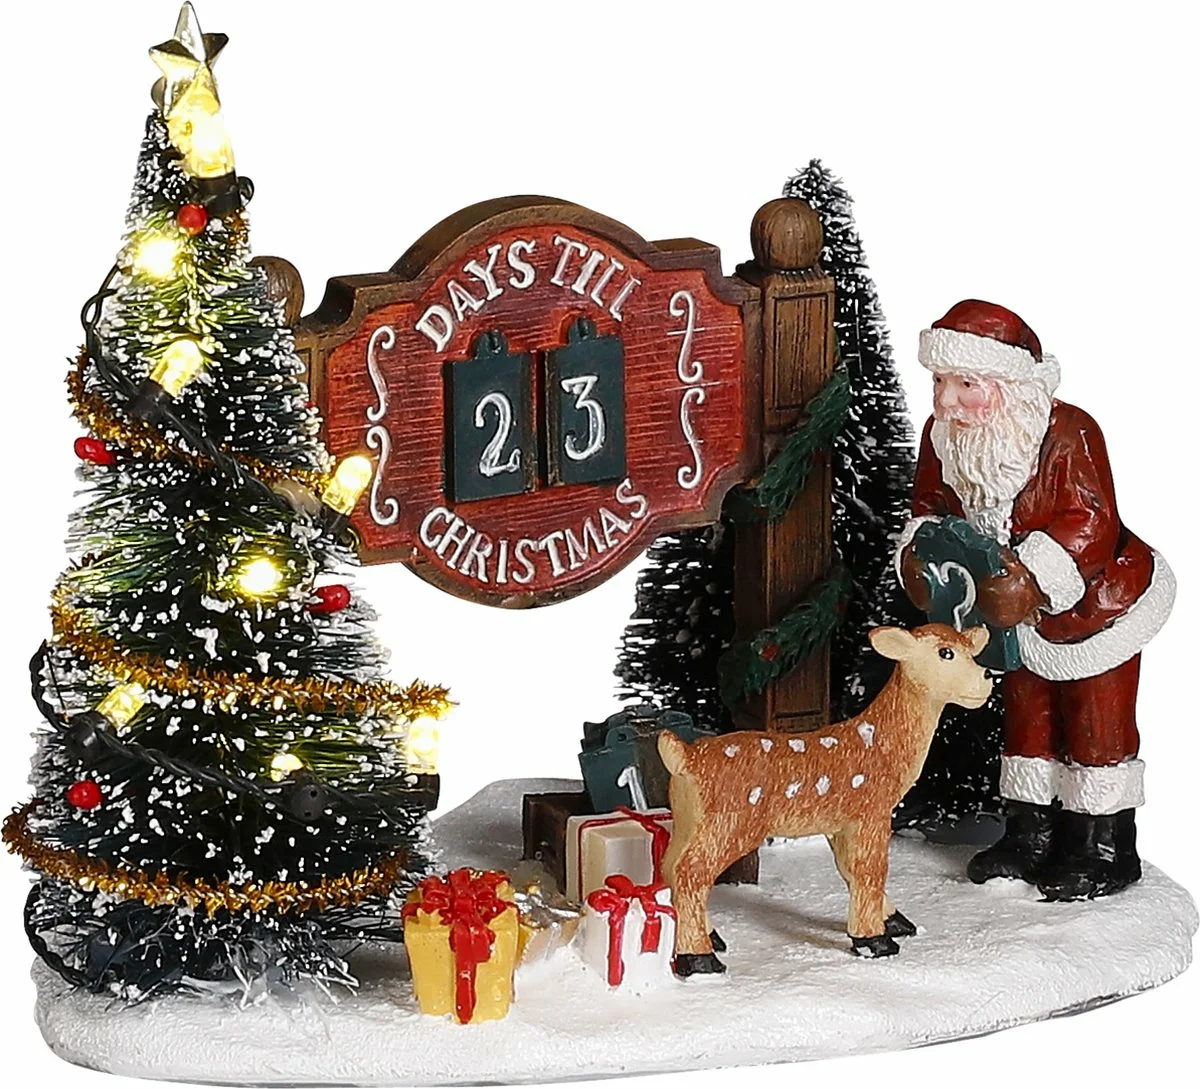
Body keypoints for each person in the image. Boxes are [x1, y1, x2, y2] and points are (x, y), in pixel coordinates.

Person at [896, 299, 1174, 900]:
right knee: (1027, 719)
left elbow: (1091, 521)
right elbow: (929, 507)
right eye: (939, 382)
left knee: (1095, 724)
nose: (946, 401)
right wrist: (919, 557)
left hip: (1096, 609)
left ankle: (1100, 845)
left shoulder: (1069, 433)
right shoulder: (943, 438)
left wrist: (1034, 576)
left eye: (965, 385)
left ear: (1009, 385)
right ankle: (1028, 834)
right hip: (1008, 618)